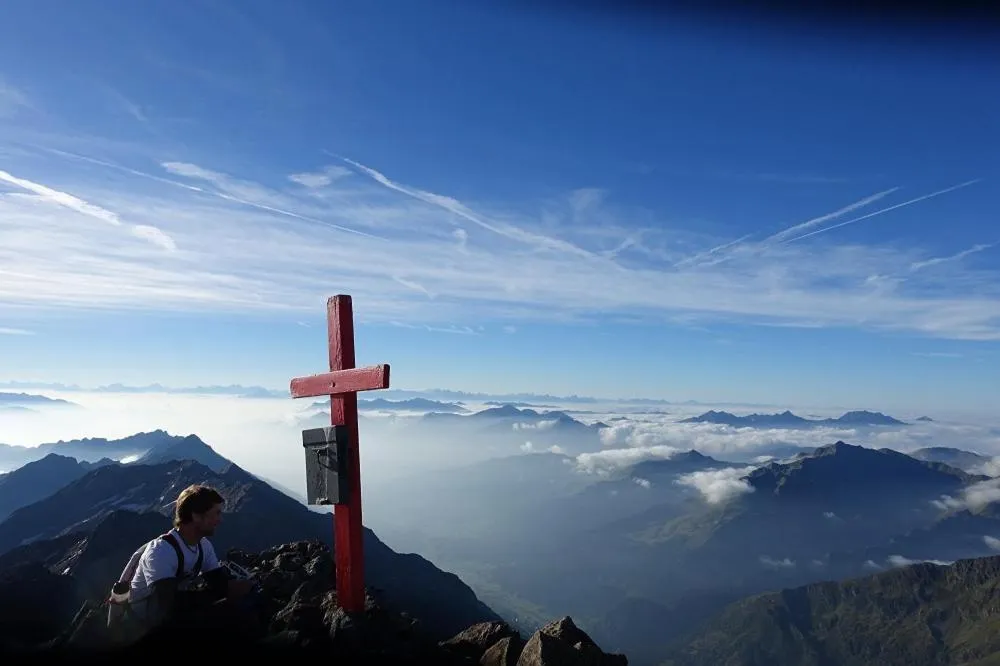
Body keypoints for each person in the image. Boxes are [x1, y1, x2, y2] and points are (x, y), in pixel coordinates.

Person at [123, 484, 259, 640]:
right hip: (141, 627)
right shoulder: (161, 551)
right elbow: (165, 605)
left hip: (173, 615)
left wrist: (237, 587)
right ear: (196, 516)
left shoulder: (203, 546)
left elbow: (217, 582)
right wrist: (222, 593)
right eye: (216, 513)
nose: (219, 520)